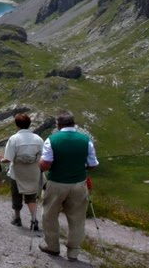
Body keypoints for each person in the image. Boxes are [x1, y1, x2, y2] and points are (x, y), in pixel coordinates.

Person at [38, 110, 99, 262]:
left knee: (49, 215)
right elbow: (93, 165)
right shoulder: (86, 140)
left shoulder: (52, 140)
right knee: (77, 218)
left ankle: (52, 246)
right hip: (79, 184)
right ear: (73, 123)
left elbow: (45, 165)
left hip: (56, 183)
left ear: (58, 125)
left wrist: (40, 165)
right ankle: (73, 252)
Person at [0, 113, 44, 230]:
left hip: (17, 172)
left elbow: (8, 159)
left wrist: (0, 159)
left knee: (16, 195)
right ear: (29, 124)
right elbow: (43, 156)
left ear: (17, 125)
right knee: (31, 196)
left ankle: (17, 218)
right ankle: (34, 220)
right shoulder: (38, 139)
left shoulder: (14, 139)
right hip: (33, 172)